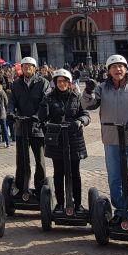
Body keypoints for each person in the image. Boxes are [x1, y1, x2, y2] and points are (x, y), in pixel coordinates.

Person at [81, 55, 128, 230]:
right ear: (108, 70)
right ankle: (121, 211)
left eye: (121, 66)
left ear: (126, 68)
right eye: (114, 67)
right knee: (115, 178)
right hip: (112, 139)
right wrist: (87, 92)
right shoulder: (102, 88)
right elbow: (87, 105)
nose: (118, 69)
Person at [39, 68, 90, 213]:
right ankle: (60, 203)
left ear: (69, 83)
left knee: (75, 173)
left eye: (64, 81)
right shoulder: (49, 98)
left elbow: (86, 115)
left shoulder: (76, 97)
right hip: (57, 140)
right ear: (55, 83)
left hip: (74, 140)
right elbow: (43, 117)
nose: (62, 84)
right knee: (59, 173)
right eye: (59, 81)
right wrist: (43, 105)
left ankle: (78, 204)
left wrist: (80, 121)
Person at [6, 56, 50, 196]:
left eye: (29, 66)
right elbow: (12, 101)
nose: (27, 69)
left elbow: (45, 101)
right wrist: (11, 112)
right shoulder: (16, 84)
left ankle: (40, 187)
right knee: (22, 160)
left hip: (37, 127)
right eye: (24, 66)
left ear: (34, 68)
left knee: (39, 160)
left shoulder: (43, 83)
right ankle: (20, 187)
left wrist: (38, 115)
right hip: (21, 126)